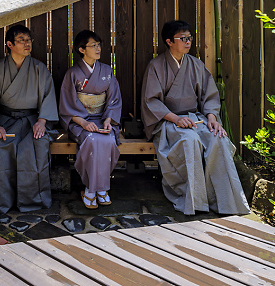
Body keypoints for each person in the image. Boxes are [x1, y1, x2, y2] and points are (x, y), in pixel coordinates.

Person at [141, 20, 250, 215]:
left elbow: (209, 96)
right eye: (183, 38)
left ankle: (223, 201)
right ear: (169, 41)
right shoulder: (156, 66)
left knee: (219, 139)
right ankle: (195, 200)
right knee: (189, 140)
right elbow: (152, 101)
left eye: (189, 38)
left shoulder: (196, 64)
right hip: (168, 121)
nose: (188, 42)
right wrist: (175, 119)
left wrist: (212, 118)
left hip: (195, 118)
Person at [0, 24, 58, 213]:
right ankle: (1, 201)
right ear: (10, 44)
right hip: (5, 120)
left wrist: (42, 121)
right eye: (22, 40)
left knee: (36, 146)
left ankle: (33, 201)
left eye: (29, 40)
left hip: (32, 121)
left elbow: (47, 96)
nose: (27, 44)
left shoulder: (39, 69)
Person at [59, 30, 122, 209]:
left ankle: (97, 189)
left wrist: (109, 119)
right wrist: (84, 123)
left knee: (108, 140)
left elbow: (114, 100)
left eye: (98, 45)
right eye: (93, 45)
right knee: (93, 140)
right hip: (80, 122)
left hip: (102, 119)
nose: (97, 48)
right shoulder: (72, 74)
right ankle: (92, 189)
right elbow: (67, 103)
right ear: (81, 49)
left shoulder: (107, 71)